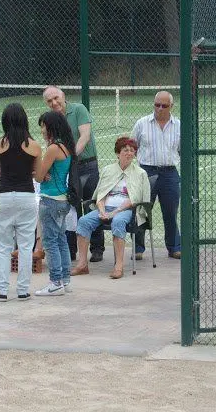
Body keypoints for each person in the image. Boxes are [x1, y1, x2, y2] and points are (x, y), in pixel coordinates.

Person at [70, 136, 150, 279]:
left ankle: (118, 266)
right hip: (105, 208)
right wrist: (101, 211)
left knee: (118, 221)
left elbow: (134, 199)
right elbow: (101, 194)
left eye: (132, 151)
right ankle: (82, 265)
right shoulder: (108, 170)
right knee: (83, 221)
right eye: (125, 150)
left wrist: (113, 213)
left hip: (126, 210)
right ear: (118, 153)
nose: (129, 153)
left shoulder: (140, 173)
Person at [42, 85, 104, 262]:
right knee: (71, 208)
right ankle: (71, 249)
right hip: (68, 168)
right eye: (49, 101)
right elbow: (50, 142)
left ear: (63, 96)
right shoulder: (51, 119)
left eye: (56, 98)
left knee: (92, 205)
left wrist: (71, 158)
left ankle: (97, 248)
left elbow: (84, 136)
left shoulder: (79, 109)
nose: (54, 103)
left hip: (87, 164)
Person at [0, 103, 41, 301]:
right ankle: (23, 290)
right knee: (26, 246)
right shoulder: (34, 145)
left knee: (4, 246)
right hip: (26, 196)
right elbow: (37, 174)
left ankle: (2, 290)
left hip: (4, 196)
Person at [131, 90, 182, 259]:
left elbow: (183, 150)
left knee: (171, 211)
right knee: (142, 210)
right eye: (157, 104)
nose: (159, 108)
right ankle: (138, 249)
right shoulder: (142, 123)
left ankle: (174, 247)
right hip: (146, 171)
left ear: (171, 107)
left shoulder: (179, 125)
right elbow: (132, 146)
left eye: (164, 105)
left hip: (170, 173)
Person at [33, 111, 75, 296]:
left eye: (43, 126)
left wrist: (39, 172)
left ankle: (56, 281)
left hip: (50, 200)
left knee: (50, 242)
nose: (42, 130)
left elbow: (40, 176)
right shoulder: (66, 147)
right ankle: (65, 280)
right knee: (61, 240)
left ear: (50, 127)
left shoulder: (52, 149)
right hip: (62, 200)